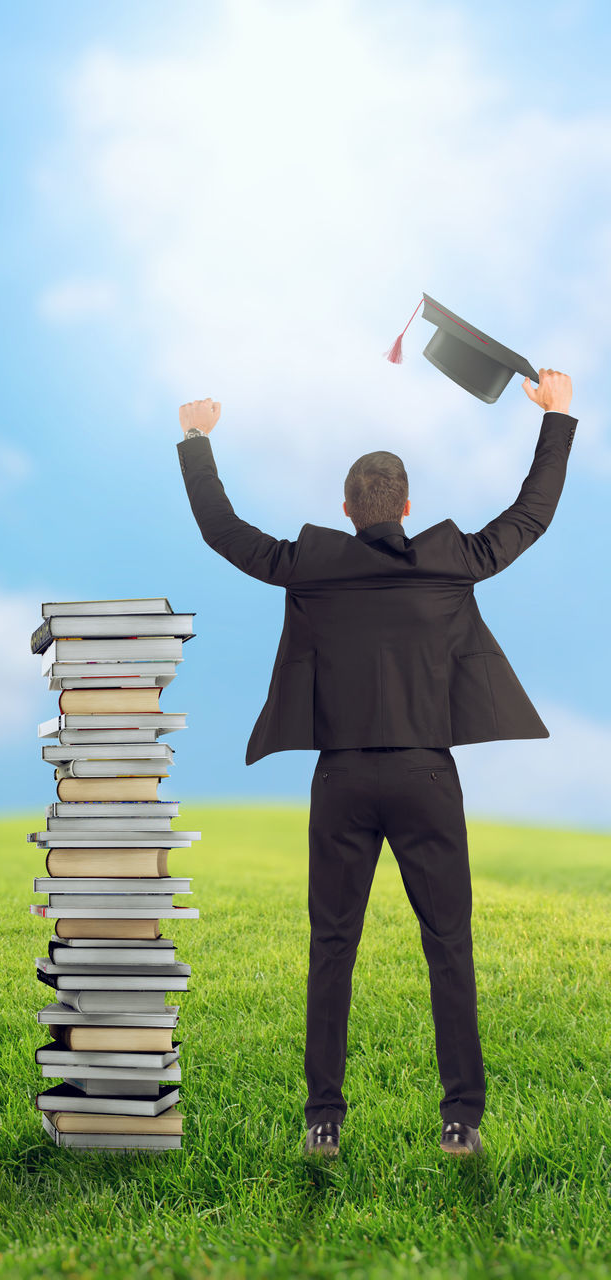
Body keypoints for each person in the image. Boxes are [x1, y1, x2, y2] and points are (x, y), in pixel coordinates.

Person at [175, 371, 577, 1159]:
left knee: (333, 946)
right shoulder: (453, 559)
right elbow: (532, 514)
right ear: (406, 506)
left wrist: (197, 438)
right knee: (449, 946)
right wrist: (556, 417)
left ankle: (323, 1117)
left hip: (344, 781)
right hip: (427, 777)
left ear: (348, 508)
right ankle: (461, 1117)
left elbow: (223, 532)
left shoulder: (311, 565)